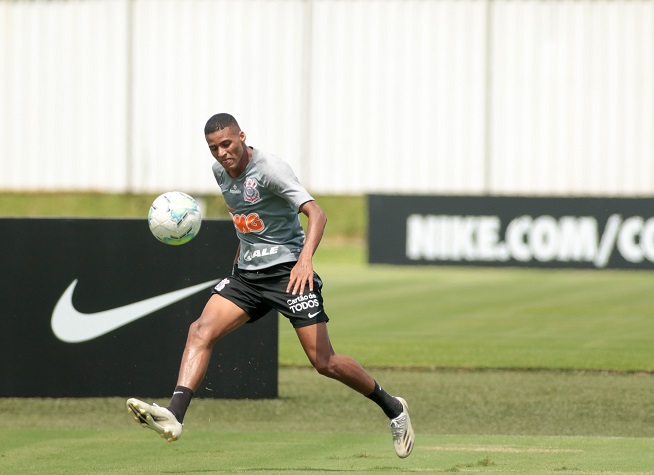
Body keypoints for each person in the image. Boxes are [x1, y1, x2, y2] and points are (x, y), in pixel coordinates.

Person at [126, 113, 415, 458]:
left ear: (242, 137)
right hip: (247, 276)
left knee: (324, 361)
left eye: (227, 144)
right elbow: (246, 224)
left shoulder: (270, 169)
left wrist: (305, 261)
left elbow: (317, 213)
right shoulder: (220, 172)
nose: (221, 153)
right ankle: (175, 414)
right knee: (200, 330)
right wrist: (236, 268)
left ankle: (393, 408)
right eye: (213, 148)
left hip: (288, 273)